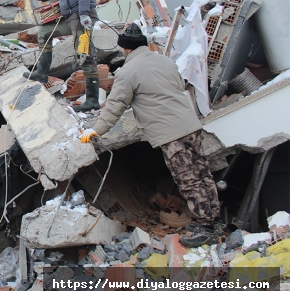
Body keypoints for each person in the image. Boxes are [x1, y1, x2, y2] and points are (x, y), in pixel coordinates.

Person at [80, 24, 221, 247]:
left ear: (125, 49)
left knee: (188, 179)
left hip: (171, 133)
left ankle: (207, 227)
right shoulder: (165, 61)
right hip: (189, 125)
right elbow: (177, 85)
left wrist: (96, 129)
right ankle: (211, 218)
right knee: (202, 172)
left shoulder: (128, 71)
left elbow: (116, 105)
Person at [25, 0, 100, 112]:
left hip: (80, 16)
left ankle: (93, 100)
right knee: (45, 32)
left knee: (85, 54)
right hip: (71, 16)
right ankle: (42, 73)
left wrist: (83, 14)